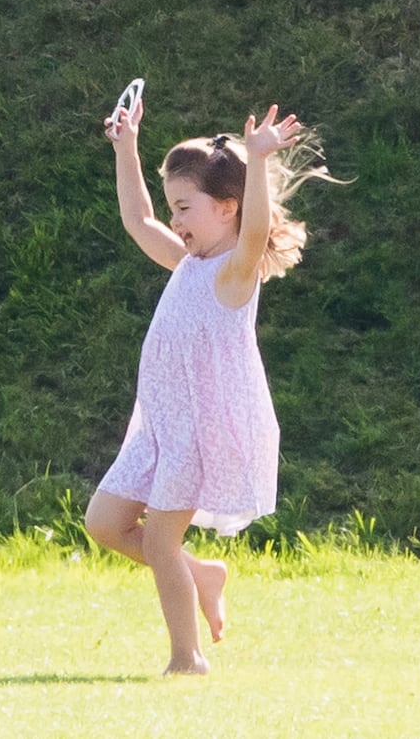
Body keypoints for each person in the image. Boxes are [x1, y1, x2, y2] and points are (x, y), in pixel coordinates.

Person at [85, 95, 329, 675]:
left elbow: (258, 229)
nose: (174, 221)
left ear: (227, 208)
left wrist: (261, 160)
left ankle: (186, 659)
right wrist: (126, 147)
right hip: (159, 427)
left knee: (162, 543)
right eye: (174, 207)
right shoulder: (186, 263)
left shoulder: (234, 276)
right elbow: (136, 220)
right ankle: (203, 573)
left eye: (185, 208)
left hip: (198, 429)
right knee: (103, 524)